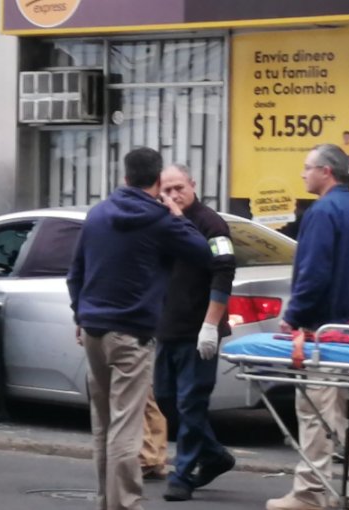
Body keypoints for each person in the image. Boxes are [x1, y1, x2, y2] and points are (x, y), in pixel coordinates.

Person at [66, 147, 211, 510]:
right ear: (158, 181)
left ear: (125, 177)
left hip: (94, 331)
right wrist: (177, 214)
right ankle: (126, 504)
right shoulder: (160, 220)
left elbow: (76, 274)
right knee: (127, 427)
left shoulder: (97, 215)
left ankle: (107, 501)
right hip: (131, 334)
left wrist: (79, 316)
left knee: (103, 426)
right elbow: (202, 252)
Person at [267, 144, 349, 510]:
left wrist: (294, 316)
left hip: (325, 332)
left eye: (307, 168)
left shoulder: (323, 212)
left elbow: (313, 273)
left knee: (317, 413)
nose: (303, 174)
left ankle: (310, 493)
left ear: (326, 172)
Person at [154, 164, 237, 502]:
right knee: (165, 399)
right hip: (167, 329)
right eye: (167, 190)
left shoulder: (211, 224)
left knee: (191, 403)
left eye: (179, 187)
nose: (174, 195)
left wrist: (210, 325)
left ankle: (183, 475)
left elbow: (224, 271)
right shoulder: (163, 225)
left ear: (193, 184)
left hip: (198, 331)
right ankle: (215, 454)